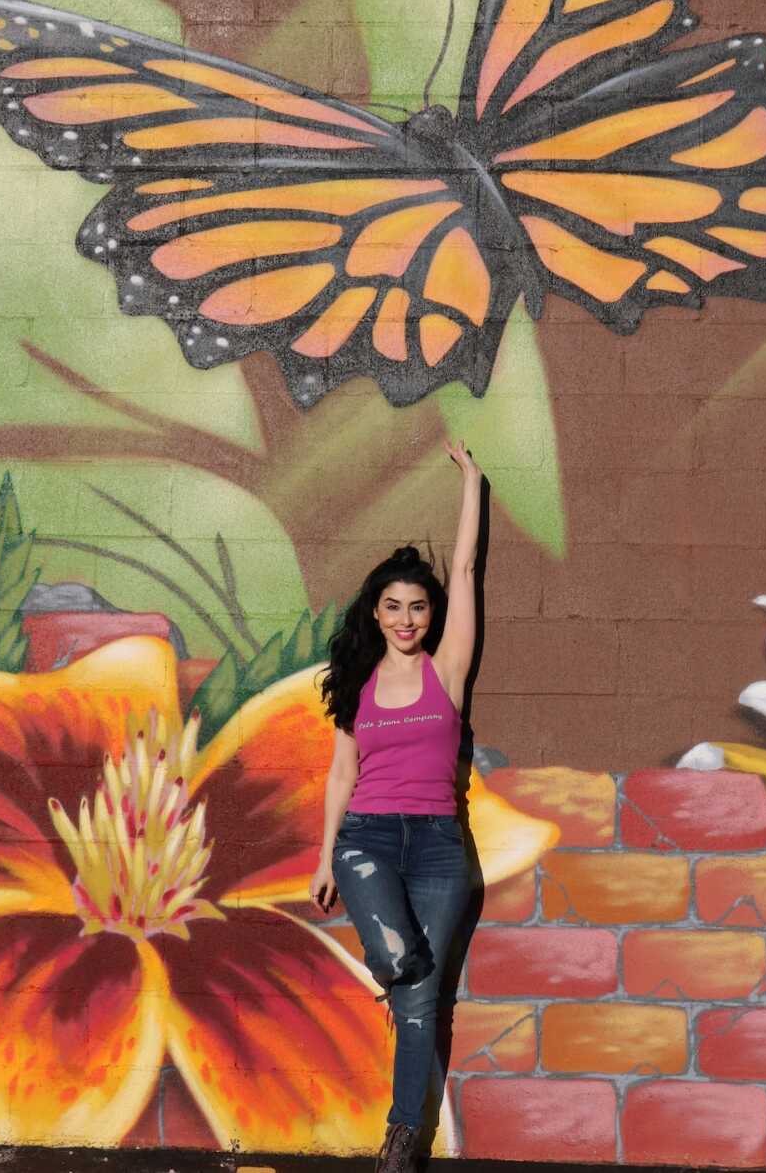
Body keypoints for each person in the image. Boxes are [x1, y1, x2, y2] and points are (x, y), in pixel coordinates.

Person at [310, 438, 481, 1173]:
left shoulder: (448, 669)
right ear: (375, 615)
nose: (407, 618)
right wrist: (325, 856)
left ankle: (401, 1139)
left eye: (417, 607)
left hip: (442, 848)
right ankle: (395, 967)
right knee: (404, 966)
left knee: (420, 1001)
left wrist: (472, 482)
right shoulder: (359, 683)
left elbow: (466, 568)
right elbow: (341, 774)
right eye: (394, 607)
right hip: (367, 842)